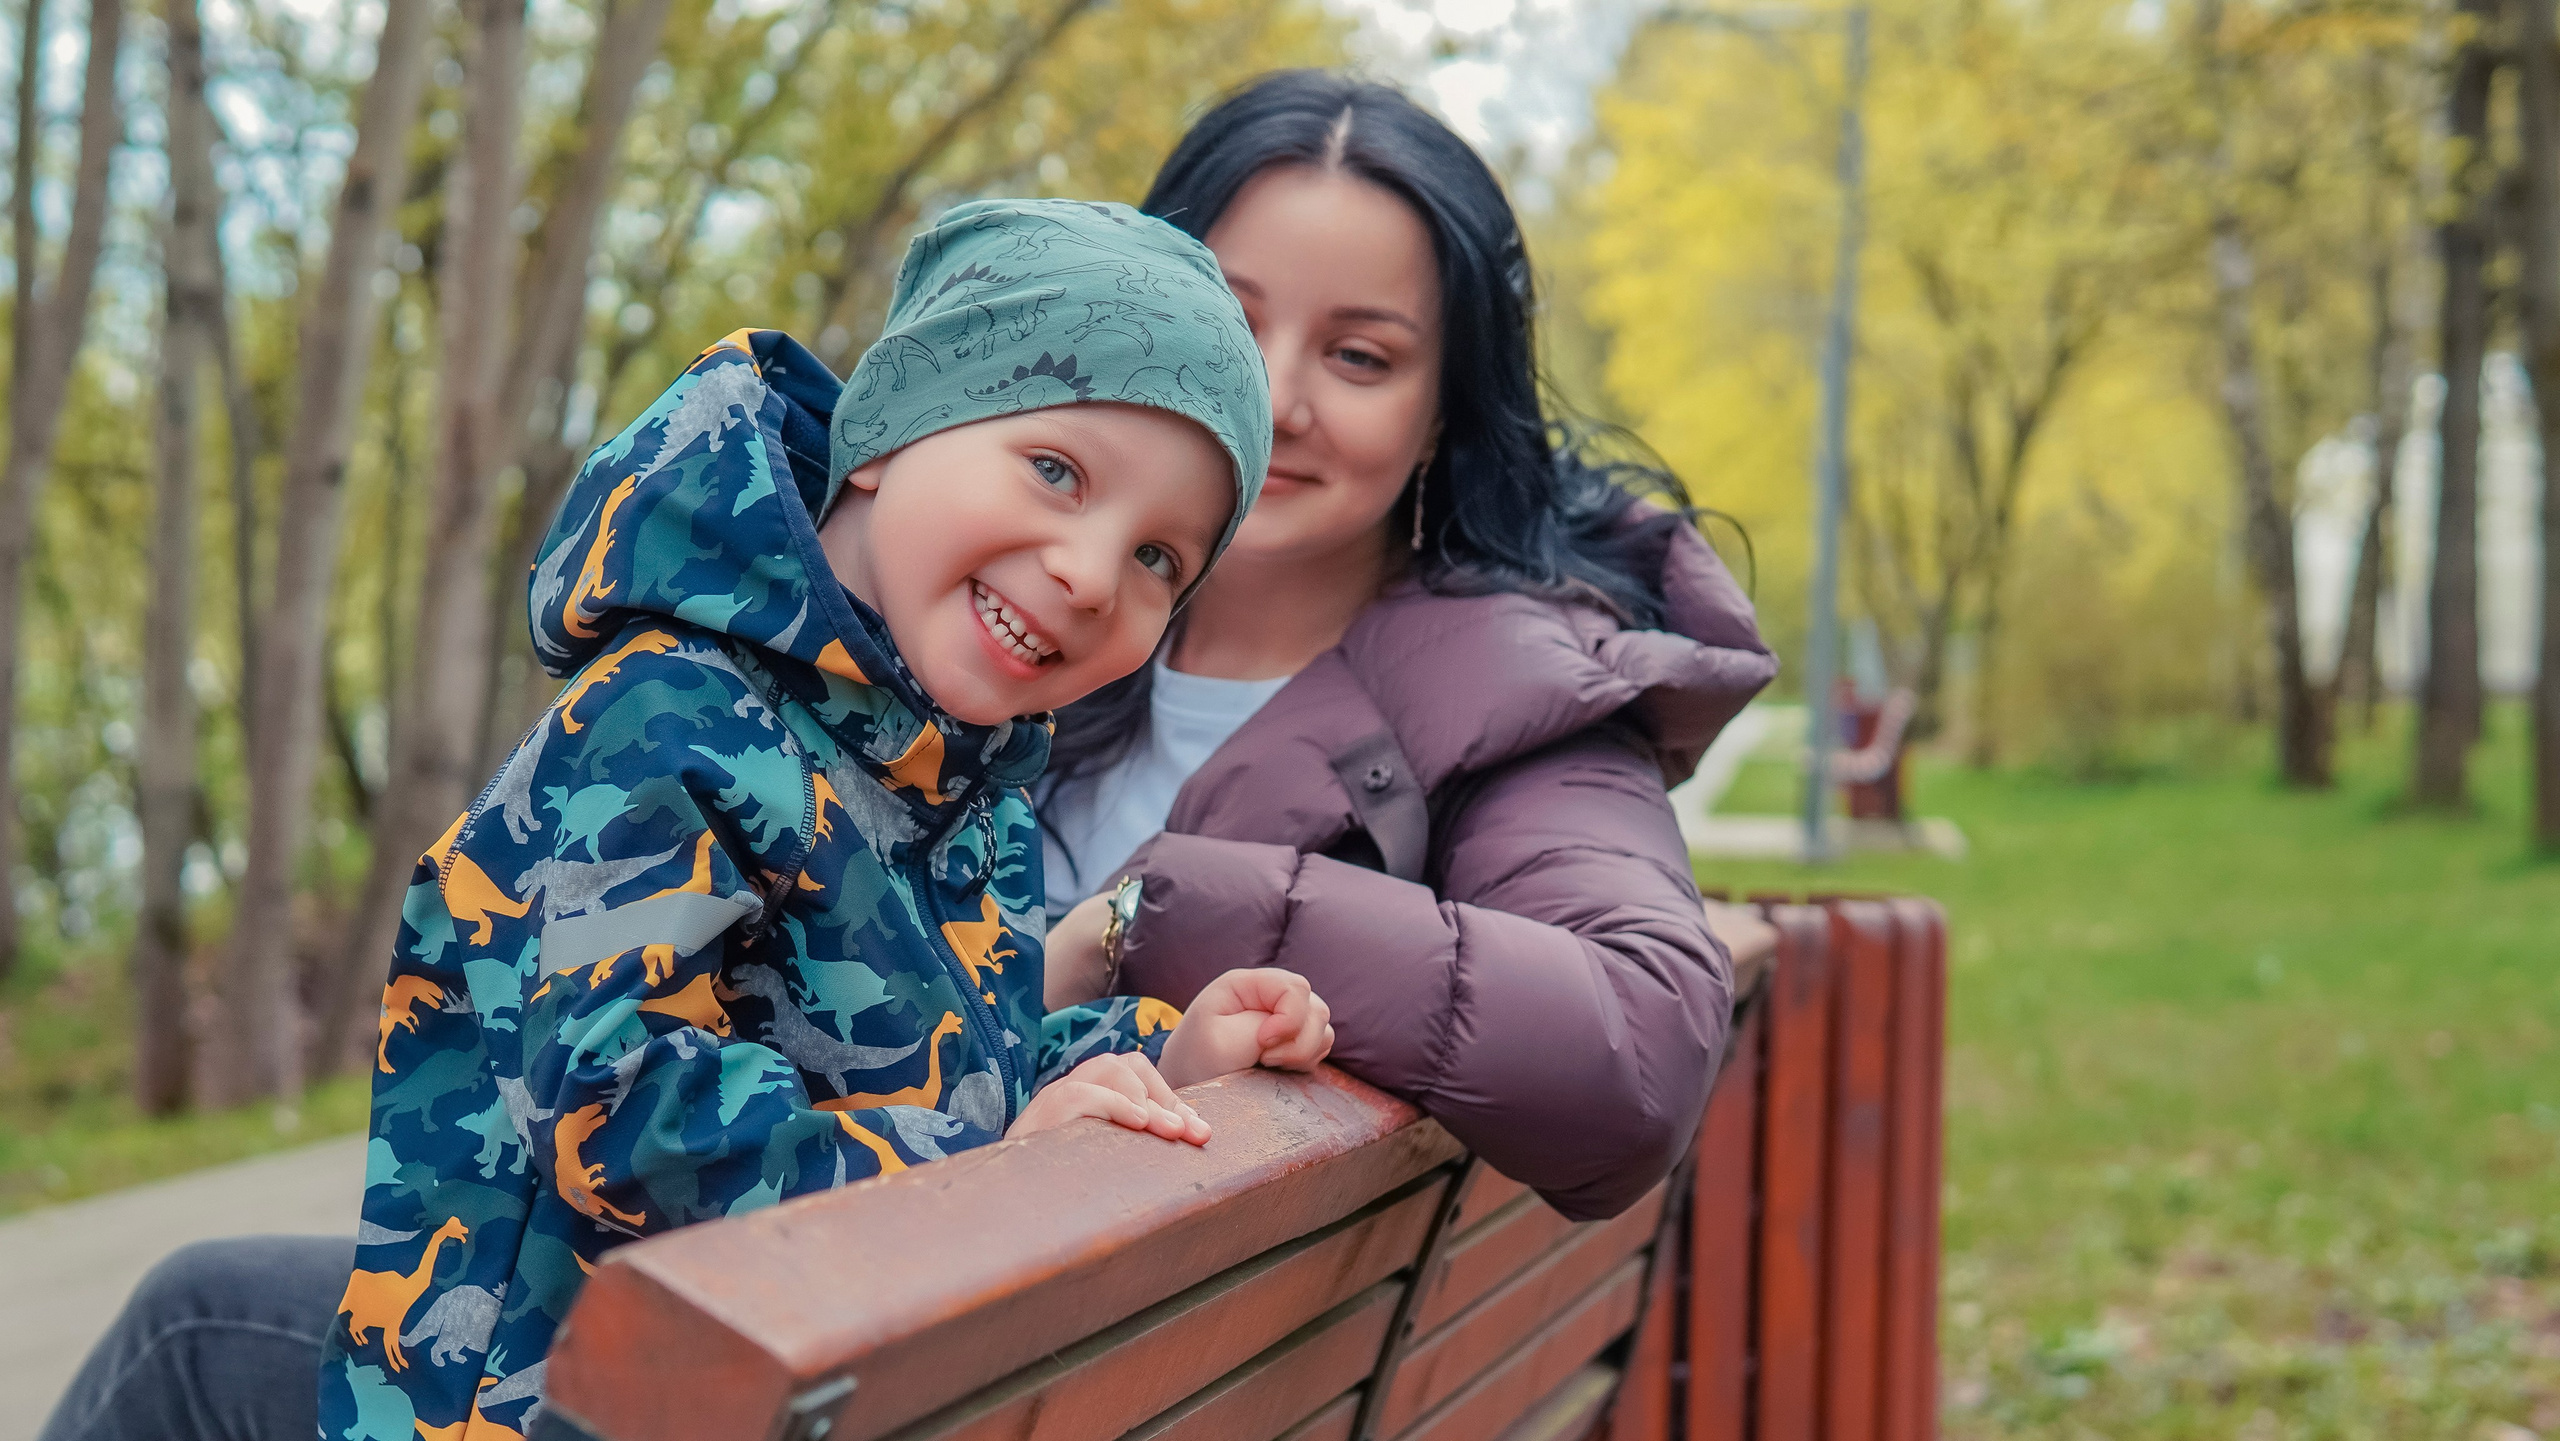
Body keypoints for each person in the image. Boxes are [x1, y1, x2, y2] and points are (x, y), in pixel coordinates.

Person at [42, 199, 1331, 1441]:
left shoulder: (955, 781)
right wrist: (992, 1160)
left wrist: (1159, 1057)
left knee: (191, 1318)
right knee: (196, 1318)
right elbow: (624, 1114)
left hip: (700, 1391)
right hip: (586, 1366)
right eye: (1055, 471)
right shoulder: (671, 722)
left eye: (1162, 556)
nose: (1093, 572)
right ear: (886, 434)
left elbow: (969, 1059)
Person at [1037, 72, 1779, 1224]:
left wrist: (1149, 914)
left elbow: (1639, 1047)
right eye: (1228, 322)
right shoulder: (1003, 610)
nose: (1272, 396)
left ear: (1443, 408)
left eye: (1360, 357)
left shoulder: (1508, 698)